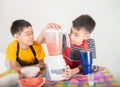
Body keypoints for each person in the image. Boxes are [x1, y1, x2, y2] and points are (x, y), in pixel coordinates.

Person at [37, 14, 96, 80]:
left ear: (87, 36)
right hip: (63, 73)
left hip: (81, 74)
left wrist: (72, 72)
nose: (71, 36)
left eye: (76, 35)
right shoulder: (64, 38)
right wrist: (46, 28)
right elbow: (39, 41)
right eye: (71, 31)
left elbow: (87, 64)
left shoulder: (90, 43)